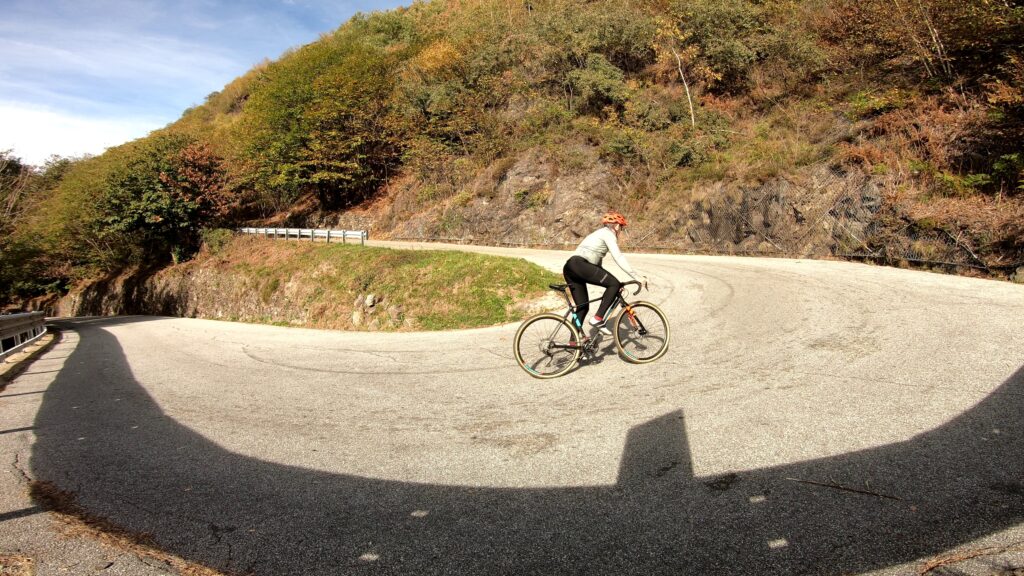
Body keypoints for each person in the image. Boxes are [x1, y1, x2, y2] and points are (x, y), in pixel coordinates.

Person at [563, 210, 644, 336]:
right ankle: (597, 318)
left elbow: (597, 268)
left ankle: (573, 344)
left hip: (570, 267)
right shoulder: (608, 234)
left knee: (582, 307)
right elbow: (618, 257)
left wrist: (613, 284)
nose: (620, 231)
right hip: (580, 265)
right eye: (621, 228)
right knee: (614, 284)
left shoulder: (597, 234)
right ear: (617, 226)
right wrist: (636, 277)